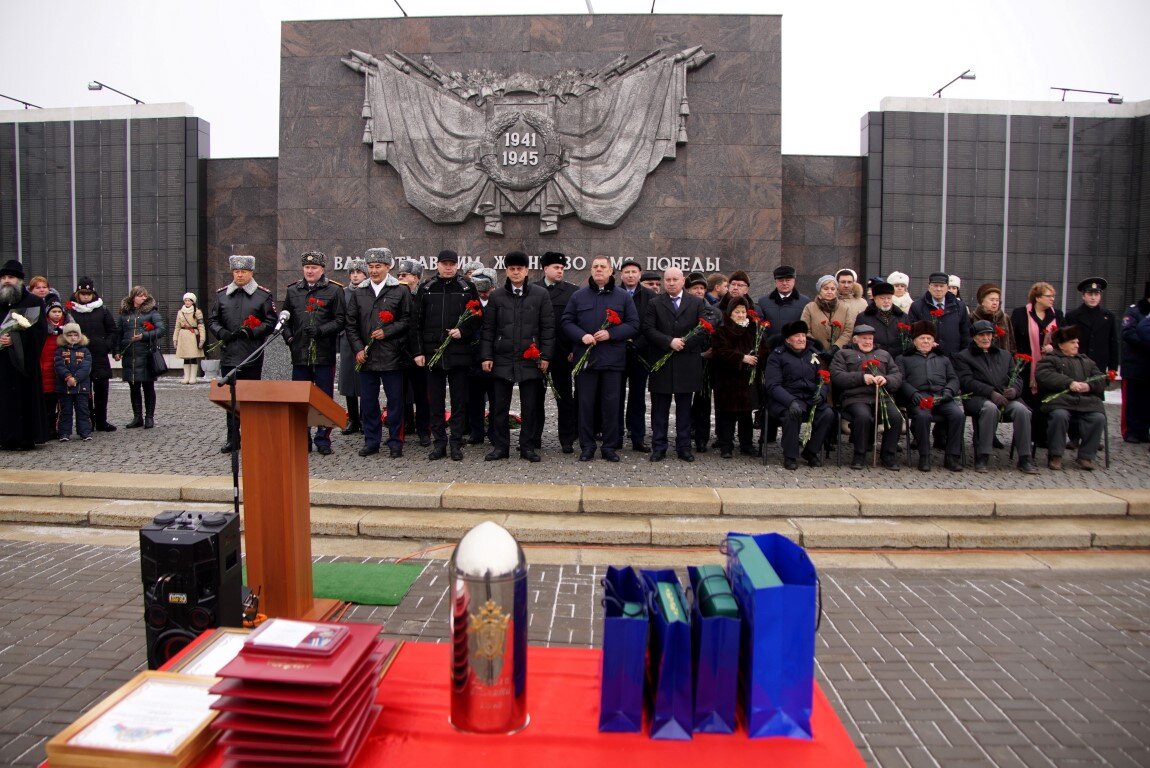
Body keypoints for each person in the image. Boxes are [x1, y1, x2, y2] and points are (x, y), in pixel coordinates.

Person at [561, 255, 640, 461]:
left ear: (611, 271)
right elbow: (567, 321)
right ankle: (587, 446)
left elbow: (633, 324)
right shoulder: (579, 296)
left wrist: (611, 334)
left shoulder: (623, 296)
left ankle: (609, 447)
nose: (598, 270)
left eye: (602, 267)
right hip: (586, 361)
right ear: (591, 270)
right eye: (595, 266)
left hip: (612, 361)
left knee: (611, 405)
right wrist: (581, 335)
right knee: (585, 405)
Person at [481, 251, 555, 462]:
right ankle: (501, 447)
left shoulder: (540, 295)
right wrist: (487, 356)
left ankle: (527, 447)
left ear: (526, 271)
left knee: (530, 406)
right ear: (506, 271)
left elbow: (548, 328)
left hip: (530, 358)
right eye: (511, 269)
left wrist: (546, 356)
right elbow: (489, 329)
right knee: (499, 407)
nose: (515, 272)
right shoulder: (496, 296)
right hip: (502, 357)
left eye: (519, 269)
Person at [412, 249, 480, 461]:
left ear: (457, 266)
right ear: (438, 265)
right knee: (436, 402)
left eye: (452, 264)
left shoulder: (467, 287)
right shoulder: (426, 288)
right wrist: (418, 352)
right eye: (444, 263)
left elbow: (478, 317)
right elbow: (416, 323)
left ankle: (456, 442)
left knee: (459, 401)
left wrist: (464, 331)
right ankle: (439, 442)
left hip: (459, 353)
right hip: (433, 353)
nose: (448, 267)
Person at [345, 248, 412, 459]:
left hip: (392, 355)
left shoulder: (400, 291)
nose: (374, 271)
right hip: (366, 357)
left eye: (378, 266)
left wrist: (388, 331)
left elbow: (408, 320)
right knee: (368, 402)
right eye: (371, 267)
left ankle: (395, 441)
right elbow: (351, 324)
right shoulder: (359, 293)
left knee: (395, 402)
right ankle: (371, 441)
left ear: (388, 266)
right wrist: (357, 349)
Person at [208, 254, 277, 453]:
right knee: (231, 399)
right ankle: (232, 437)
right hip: (230, 354)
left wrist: (252, 331)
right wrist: (221, 333)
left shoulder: (262, 295)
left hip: (251, 355)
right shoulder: (222, 295)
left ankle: (252, 435)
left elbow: (270, 322)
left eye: (243, 272)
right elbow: (213, 320)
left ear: (251, 272)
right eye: (236, 271)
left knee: (251, 398)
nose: (239, 275)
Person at [954, 320, 1039, 474]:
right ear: (974, 337)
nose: (986, 338)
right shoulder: (963, 357)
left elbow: (1017, 377)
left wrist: (1014, 390)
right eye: (981, 335)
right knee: (990, 408)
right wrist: (990, 392)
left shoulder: (1005, 355)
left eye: (989, 334)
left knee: (1022, 410)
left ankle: (1025, 457)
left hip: (1007, 398)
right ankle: (983, 455)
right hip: (978, 398)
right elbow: (967, 381)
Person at [283, 250, 346, 456]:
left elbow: (340, 320)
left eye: (314, 267)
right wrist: (290, 339)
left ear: (322, 269)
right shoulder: (293, 290)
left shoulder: (334, 291)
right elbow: (285, 319)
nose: (310, 271)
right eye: (307, 267)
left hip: (323, 353)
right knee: (299, 398)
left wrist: (321, 331)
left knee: (324, 398)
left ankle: (323, 438)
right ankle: (303, 437)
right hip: (299, 353)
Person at [644, 267, 709, 462]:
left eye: (675, 279)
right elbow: (648, 329)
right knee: (660, 408)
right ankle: (659, 446)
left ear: (683, 281)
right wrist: (669, 341)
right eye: (668, 280)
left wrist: (684, 342)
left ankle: (684, 447)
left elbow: (704, 329)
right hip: (662, 362)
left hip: (687, 362)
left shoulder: (697, 303)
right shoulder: (654, 303)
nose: (671, 283)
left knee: (684, 408)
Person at [831, 324, 904, 470]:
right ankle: (859, 455)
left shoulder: (884, 354)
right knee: (863, 417)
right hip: (855, 398)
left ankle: (888, 455)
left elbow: (897, 375)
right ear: (855, 340)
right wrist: (861, 378)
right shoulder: (843, 354)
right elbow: (837, 376)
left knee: (896, 417)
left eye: (870, 338)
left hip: (882, 397)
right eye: (864, 338)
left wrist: (887, 380)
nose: (868, 342)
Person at [764, 320, 833, 470]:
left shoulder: (813, 355)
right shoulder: (777, 356)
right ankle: (790, 455)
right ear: (788, 339)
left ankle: (811, 451)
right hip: (784, 399)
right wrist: (790, 401)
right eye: (797, 336)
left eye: (803, 335)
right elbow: (773, 385)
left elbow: (824, 380)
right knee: (793, 413)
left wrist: (821, 394)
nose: (802, 339)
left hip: (809, 398)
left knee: (827, 414)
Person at [1035, 326, 1107, 471]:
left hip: (1085, 403)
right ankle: (1056, 455)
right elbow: (1044, 376)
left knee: (1098, 417)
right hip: (1060, 402)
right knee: (1059, 416)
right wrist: (1069, 383)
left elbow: (1100, 379)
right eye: (1073, 342)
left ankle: (1086, 456)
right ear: (1061, 345)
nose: (1077, 345)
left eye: (1077, 342)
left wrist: (1088, 386)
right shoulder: (1050, 360)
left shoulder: (1086, 361)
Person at [898, 320, 964, 472]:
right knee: (922, 417)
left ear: (934, 341)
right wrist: (912, 393)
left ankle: (952, 456)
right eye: (922, 338)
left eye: (929, 338)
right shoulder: (903, 358)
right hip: (918, 398)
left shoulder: (943, 359)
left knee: (958, 415)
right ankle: (924, 456)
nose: (926, 341)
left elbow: (953, 379)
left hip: (941, 397)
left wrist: (948, 392)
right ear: (914, 341)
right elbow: (900, 380)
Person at [0, 260, 49, 450]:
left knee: (24, 400)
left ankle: (25, 438)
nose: (6, 281)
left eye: (10, 277)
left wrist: (15, 340)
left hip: (23, 364)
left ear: (19, 280)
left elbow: (39, 332)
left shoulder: (33, 302)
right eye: (3, 277)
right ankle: (4, 437)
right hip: (2, 364)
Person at [710, 296, 765, 458]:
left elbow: (764, 348)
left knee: (746, 414)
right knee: (728, 414)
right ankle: (726, 445)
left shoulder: (754, 329)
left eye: (743, 312)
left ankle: (746, 444)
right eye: (737, 312)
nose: (741, 315)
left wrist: (756, 356)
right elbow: (721, 351)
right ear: (730, 313)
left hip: (748, 379)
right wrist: (742, 357)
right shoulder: (722, 331)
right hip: (728, 380)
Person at [534, 252, 578, 454]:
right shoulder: (533, 289)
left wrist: (573, 349)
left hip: (562, 354)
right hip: (537, 353)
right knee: (535, 398)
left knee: (564, 398)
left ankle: (567, 439)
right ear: (545, 269)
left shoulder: (572, 292)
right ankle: (533, 438)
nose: (560, 271)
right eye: (556, 268)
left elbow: (575, 324)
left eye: (562, 268)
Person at [1010, 281, 1064, 427]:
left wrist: (1053, 347)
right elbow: (1012, 339)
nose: (1052, 299)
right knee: (1027, 401)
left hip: (1049, 366)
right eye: (1048, 296)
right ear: (1037, 298)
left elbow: (1063, 340)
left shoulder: (1057, 315)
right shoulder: (1020, 313)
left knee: (1046, 400)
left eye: (1053, 296)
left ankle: (1043, 436)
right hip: (1025, 366)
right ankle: (1027, 435)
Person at [68, 277, 118, 432]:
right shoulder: (70, 311)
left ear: (93, 294)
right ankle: (88, 421)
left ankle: (102, 421)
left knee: (102, 390)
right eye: (83, 293)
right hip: (79, 357)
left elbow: (112, 330)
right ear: (78, 293)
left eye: (88, 293)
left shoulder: (102, 310)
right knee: (84, 391)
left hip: (99, 355)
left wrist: (107, 346)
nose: (85, 296)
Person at [617, 258, 655, 452]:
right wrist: (622, 341)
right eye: (627, 272)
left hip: (641, 354)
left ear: (639, 275)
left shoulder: (650, 296)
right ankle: (614, 436)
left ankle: (637, 436)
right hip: (617, 353)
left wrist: (636, 344)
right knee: (614, 396)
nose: (630, 275)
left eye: (634, 272)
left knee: (638, 397)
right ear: (621, 275)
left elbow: (650, 325)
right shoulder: (612, 293)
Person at [114, 285, 165, 429]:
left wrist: (144, 336)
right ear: (133, 297)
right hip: (130, 354)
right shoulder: (125, 314)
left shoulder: (152, 312)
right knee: (134, 386)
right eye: (140, 295)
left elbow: (161, 330)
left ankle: (149, 417)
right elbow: (118, 333)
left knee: (148, 386)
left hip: (146, 354)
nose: (143, 298)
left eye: (145, 296)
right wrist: (117, 351)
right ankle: (137, 417)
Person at [395, 259, 431, 446]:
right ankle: (402, 429)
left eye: (404, 275)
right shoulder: (394, 294)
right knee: (398, 396)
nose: (400, 278)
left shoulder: (424, 295)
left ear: (415, 278)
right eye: (399, 275)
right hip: (398, 353)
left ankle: (424, 431)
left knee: (422, 395)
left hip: (419, 353)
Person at [687, 272, 722, 453]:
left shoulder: (715, 311)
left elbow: (720, 335)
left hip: (708, 362)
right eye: (695, 288)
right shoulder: (684, 309)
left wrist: (713, 351)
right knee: (684, 400)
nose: (699, 291)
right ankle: (686, 434)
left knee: (704, 400)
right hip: (688, 359)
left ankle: (702, 437)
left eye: (702, 288)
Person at [465, 268, 497, 448]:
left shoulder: (499, 302)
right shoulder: (469, 304)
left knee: (495, 398)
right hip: (472, 359)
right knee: (474, 398)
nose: (483, 294)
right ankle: (476, 431)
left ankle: (494, 431)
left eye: (487, 290)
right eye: (480, 291)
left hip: (494, 358)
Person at [337, 258, 369, 435]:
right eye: (353, 272)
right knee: (349, 381)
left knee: (365, 381)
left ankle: (365, 418)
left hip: (365, 340)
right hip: (347, 342)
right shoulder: (342, 293)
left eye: (359, 272)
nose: (355, 275)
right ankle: (353, 419)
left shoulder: (369, 291)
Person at [908, 271, 971, 358]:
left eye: (941, 286)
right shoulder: (917, 306)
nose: (938, 289)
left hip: (954, 358)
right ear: (929, 287)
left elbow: (966, 334)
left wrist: (962, 355)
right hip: (927, 358)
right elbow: (912, 332)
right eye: (935, 285)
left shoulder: (959, 306)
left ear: (947, 287)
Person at [1066, 277, 1119, 377]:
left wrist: (1113, 367)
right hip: (1077, 363)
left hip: (1099, 365)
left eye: (1096, 294)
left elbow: (1113, 343)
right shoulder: (1072, 316)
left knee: (1097, 391)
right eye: (1090, 294)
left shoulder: (1108, 316)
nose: (1093, 297)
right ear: (1083, 296)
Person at [53, 322, 93, 442]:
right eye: (70, 335)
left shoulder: (85, 350)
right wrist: (68, 377)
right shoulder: (59, 350)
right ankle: (64, 432)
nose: (73, 337)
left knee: (83, 410)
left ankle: (85, 432)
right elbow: (59, 366)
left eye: (75, 335)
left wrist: (76, 379)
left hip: (82, 387)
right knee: (65, 410)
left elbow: (86, 367)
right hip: (64, 387)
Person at [801, 275, 854, 356]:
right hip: (815, 353)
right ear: (819, 290)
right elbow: (804, 330)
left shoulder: (844, 308)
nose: (829, 292)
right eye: (826, 289)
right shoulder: (810, 307)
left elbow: (848, 331)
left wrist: (836, 347)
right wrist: (817, 346)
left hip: (839, 354)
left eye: (833, 289)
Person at [856, 281, 909, 357]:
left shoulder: (902, 317)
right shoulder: (863, 317)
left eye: (889, 298)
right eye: (882, 298)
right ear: (874, 298)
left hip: (897, 359)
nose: (886, 301)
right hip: (873, 359)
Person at [40, 299, 67, 433]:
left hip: (61, 370)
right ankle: (48, 428)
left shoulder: (67, 328)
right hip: (46, 368)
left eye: (59, 311)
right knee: (47, 402)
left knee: (60, 403)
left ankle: (58, 427)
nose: (57, 314)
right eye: (53, 311)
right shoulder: (43, 329)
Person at [172, 292, 205, 384]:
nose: (187, 302)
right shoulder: (180, 312)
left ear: (193, 302)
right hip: (183, 336)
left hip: (193, 335)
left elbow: (201, 326)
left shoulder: (197, 312)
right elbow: (177, 327)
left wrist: (202, 339)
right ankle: (186, 376)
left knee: (193, 357)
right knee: (186, 357)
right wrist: (175, 339)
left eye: (189, 301)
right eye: (185, 300)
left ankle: (193, 377)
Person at [970, 283, 1014, 351]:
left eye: (997, 300)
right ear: (982, 301)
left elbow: (1011, 342)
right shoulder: (972, 318)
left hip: (1003, 359)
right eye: (992, 300)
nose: (995, 303)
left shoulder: (1004, 318)